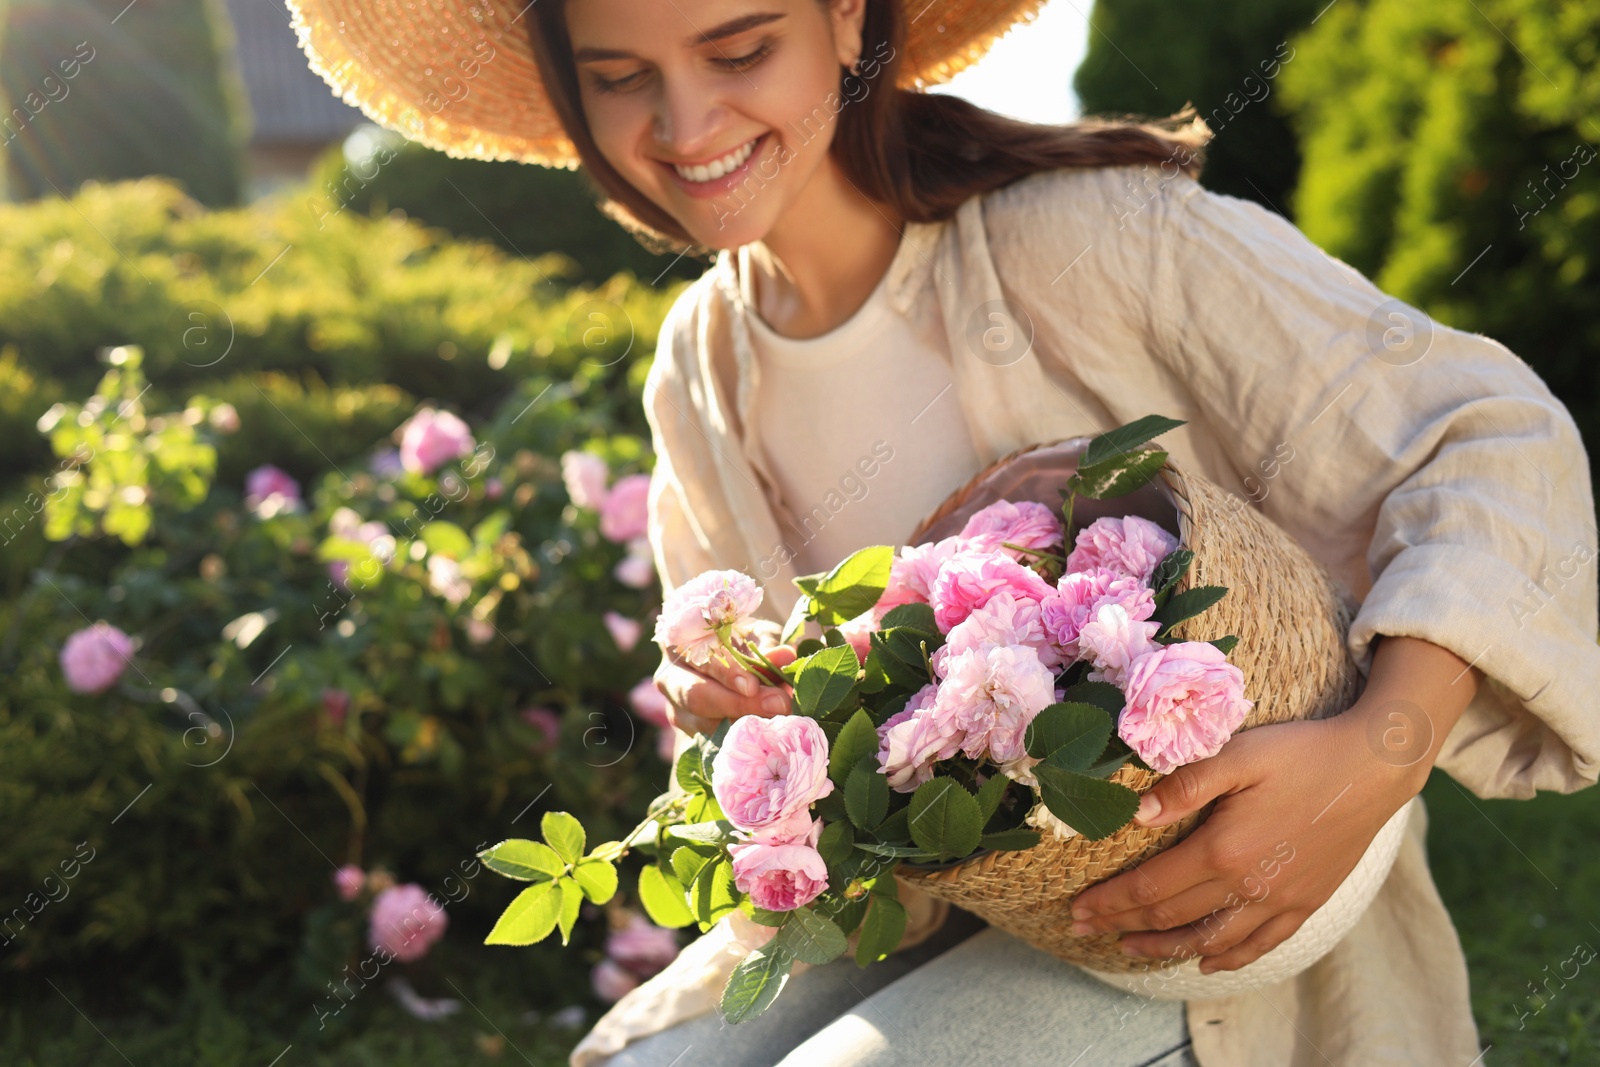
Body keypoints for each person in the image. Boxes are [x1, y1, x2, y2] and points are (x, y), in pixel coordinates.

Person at [286, 1, 1600, 1064]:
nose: (684, 126)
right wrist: (737, 727)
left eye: (741, 49)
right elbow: (781, 801)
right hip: (949, 908)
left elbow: (1488, 435)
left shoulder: (1090, 235)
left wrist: (1379, 752)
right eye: (620, 74)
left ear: (849, 21)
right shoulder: (700, 366)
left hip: (1222, 894)